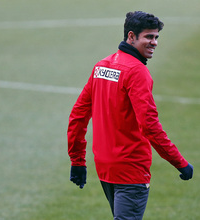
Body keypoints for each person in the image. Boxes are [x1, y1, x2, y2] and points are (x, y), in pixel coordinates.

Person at [67, 11, 193, 220]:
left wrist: (77, 160)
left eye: (156, 37)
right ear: (131, 36)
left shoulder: (102, 66)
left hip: (106, 167)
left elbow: (78, 115)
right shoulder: (137, 72)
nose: (154, 43)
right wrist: (179, 162)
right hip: (131, 170)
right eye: (149, 37)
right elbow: (149, 125)